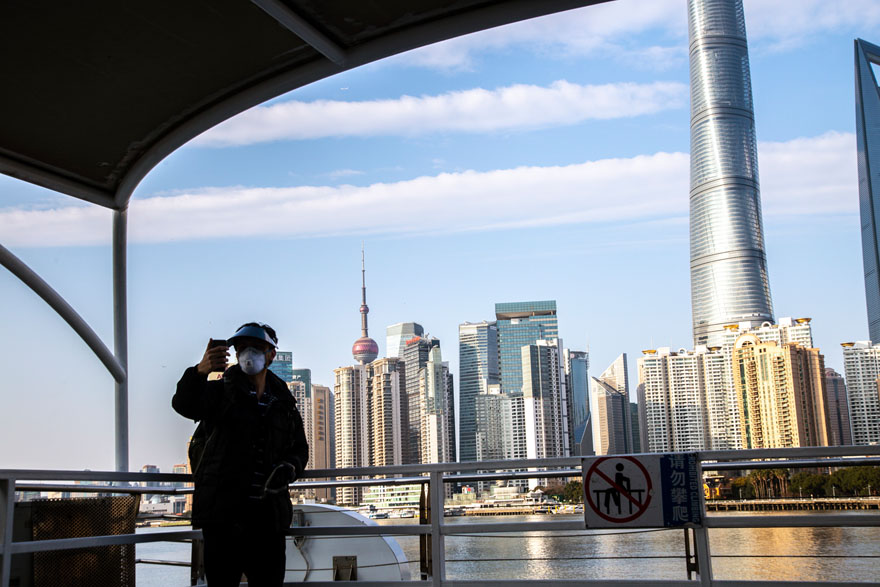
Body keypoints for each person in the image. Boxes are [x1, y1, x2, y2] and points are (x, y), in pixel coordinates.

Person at [172, 322, 308, 586]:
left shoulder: (284, 402)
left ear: (271, 354)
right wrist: (200, 371)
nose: (248, 354)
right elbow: (183, 404)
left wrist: (289, 468)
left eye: (256, 348)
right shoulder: (220, 393)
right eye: (242, 348)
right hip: (223, 519)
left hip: (267, 521)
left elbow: (299, 448)